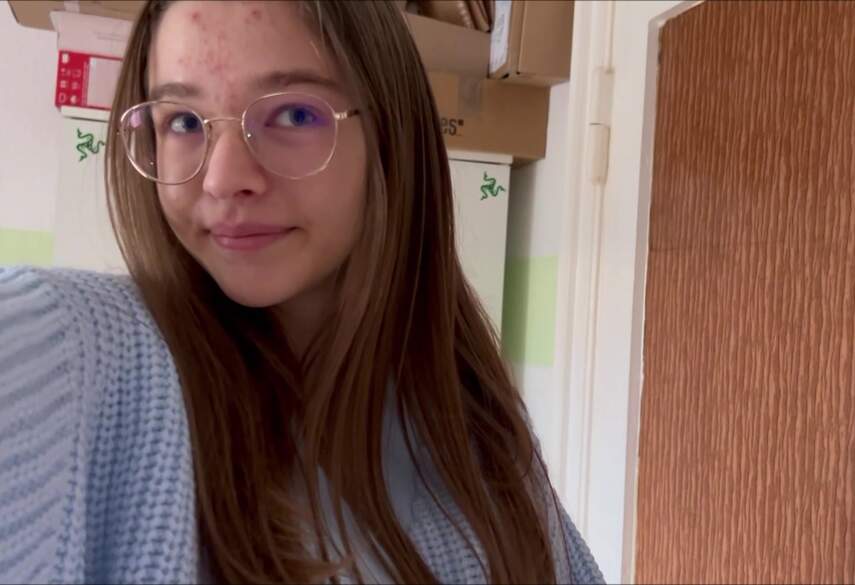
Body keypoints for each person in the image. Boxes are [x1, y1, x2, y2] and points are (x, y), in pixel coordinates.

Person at [0, 1, 603, 583]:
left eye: (293, 115)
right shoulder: (87, 360)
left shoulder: (483, 433)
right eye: (182, 122)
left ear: (390, 137)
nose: (223, 179)